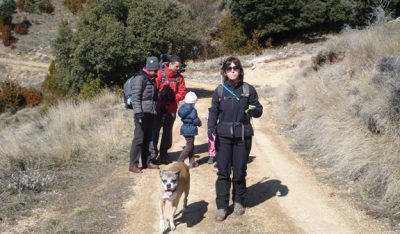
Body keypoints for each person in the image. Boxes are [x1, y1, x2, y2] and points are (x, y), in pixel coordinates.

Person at [207, 56, 263, 221]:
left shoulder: (248, 89)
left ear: (240, 70)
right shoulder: (220, 90)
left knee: (239, 172)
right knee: (223, 172)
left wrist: (252, 109)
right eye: (229, 68)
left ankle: (238, 200)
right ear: (224, 72)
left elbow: (258, 110)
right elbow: (213, 111)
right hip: (223, 137)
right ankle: (222, 206)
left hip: (242, 136)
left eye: (235, 68)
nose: (232, 71)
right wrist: (211, 128)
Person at [150, 55, 187, 164]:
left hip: (171, 109)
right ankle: (152, 155)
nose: (178, 69)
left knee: (167, 133)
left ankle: (164, 155)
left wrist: (174, 97)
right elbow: (153, 89)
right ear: (170, 64)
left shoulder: (180, 78)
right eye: (177, 66)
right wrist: (160, 97)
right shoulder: (160, 74)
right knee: (155, 132)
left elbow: (182, 92)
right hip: (158, 109)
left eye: (180, 67)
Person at [129, 56, 160, 173]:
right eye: (154, 70)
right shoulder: (139, 79)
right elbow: (135, 98)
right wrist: (138, 113)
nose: (156, 72)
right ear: (149, 68)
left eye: (156, 70)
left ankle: (147, 162)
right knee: (139, 139)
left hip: (151, 112)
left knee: (148, 138)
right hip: (141, 114)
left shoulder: (151, 79)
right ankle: (133, 164)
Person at [177, 91, 202, 168]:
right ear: (193, 102)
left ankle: (192, 162)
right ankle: (180, 161)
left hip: (185, 128)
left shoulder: (183, 107)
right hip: (190, 129)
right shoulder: (192, 110)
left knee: (190, 145)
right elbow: (195, 120)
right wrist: (199, 123)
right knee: (189, 146)